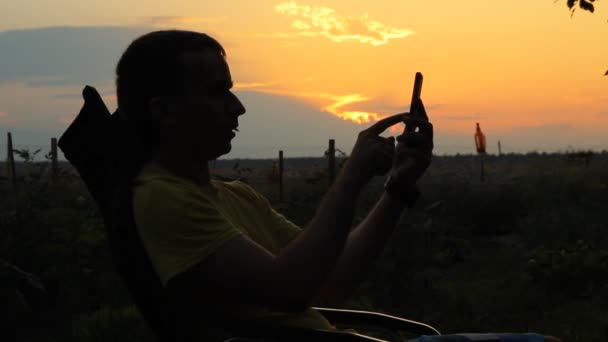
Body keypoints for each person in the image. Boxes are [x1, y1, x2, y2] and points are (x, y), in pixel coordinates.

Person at [117, 30, 433, 340]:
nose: (237, 107)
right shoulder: (163, 198)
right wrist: (350, 179)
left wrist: (398, 186)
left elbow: (332, 283)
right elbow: (290, 291)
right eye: (217, 92)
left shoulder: (236, 196)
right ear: (164, 111)